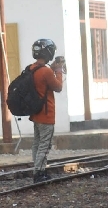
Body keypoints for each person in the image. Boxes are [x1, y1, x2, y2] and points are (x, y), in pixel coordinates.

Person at [27, 38, 65, 183]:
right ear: (48, 53)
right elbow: (58, 87)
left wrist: (53, 68)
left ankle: (37, 169)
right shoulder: (46, 72)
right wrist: (59, 70)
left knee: (37, 143)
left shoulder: (32, 68)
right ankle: (39, 173)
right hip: (46, 114)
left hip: (35, 113)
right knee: (45, 144)